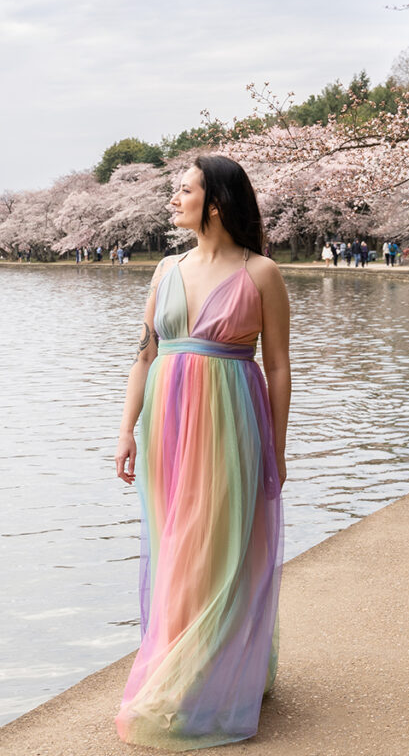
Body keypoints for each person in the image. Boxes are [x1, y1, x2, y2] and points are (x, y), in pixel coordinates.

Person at [114, 155, 290, 750]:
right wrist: (124, 431)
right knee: (175, 542)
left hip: (231, 421)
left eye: (182, 190)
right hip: (166, 425)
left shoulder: (261, 273)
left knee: (216, 543)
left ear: (214, 201)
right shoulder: (166, 270)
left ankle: (202, 678)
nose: (172, 199)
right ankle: (185, 663)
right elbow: (145, 355)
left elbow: (280, 366)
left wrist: (278, 448)